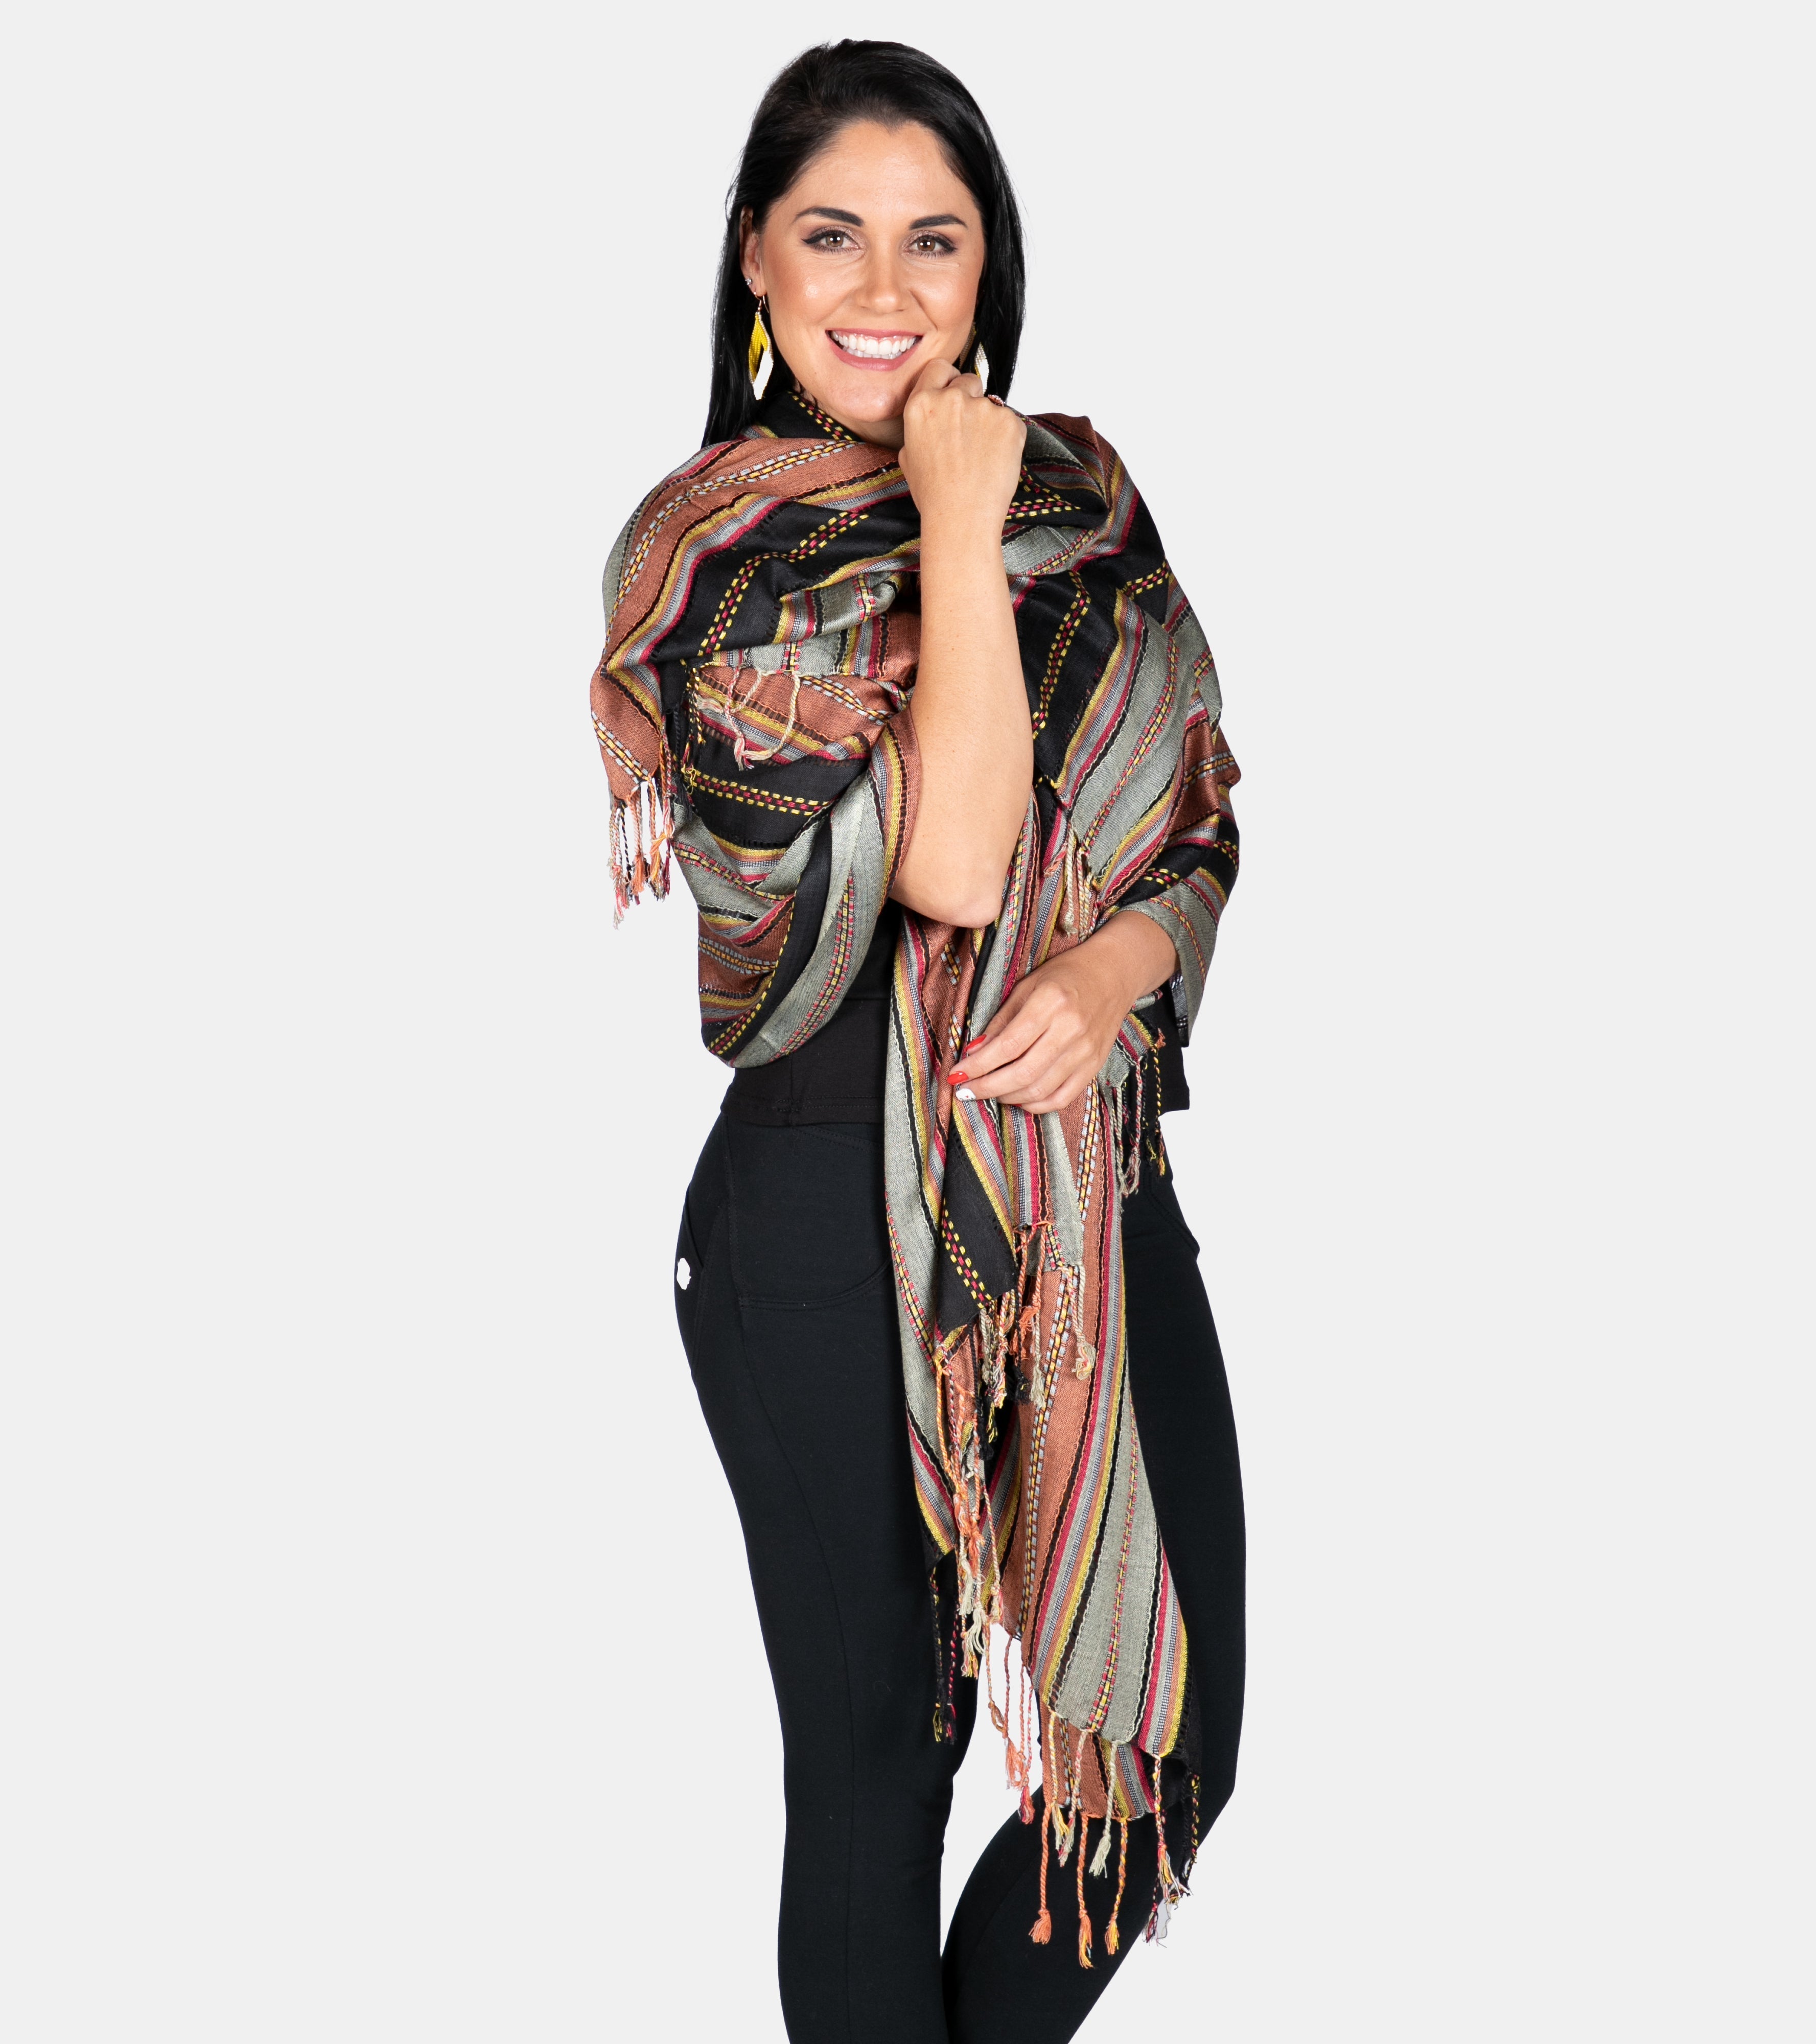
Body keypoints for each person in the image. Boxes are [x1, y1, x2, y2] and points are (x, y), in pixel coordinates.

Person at [590, 40, 1245, 2044]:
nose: (885, 287)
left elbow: (1192, 820)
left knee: (1169, 1744)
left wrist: (1117, 968)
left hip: (1089, 1194)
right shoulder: (716, 556)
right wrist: (953, 521)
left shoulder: (1083, 497)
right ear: (754, 260)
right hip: (815, 1217)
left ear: (988, 263)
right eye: (834, 235)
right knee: (882, 1777)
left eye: (933, 240)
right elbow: (948, 864)